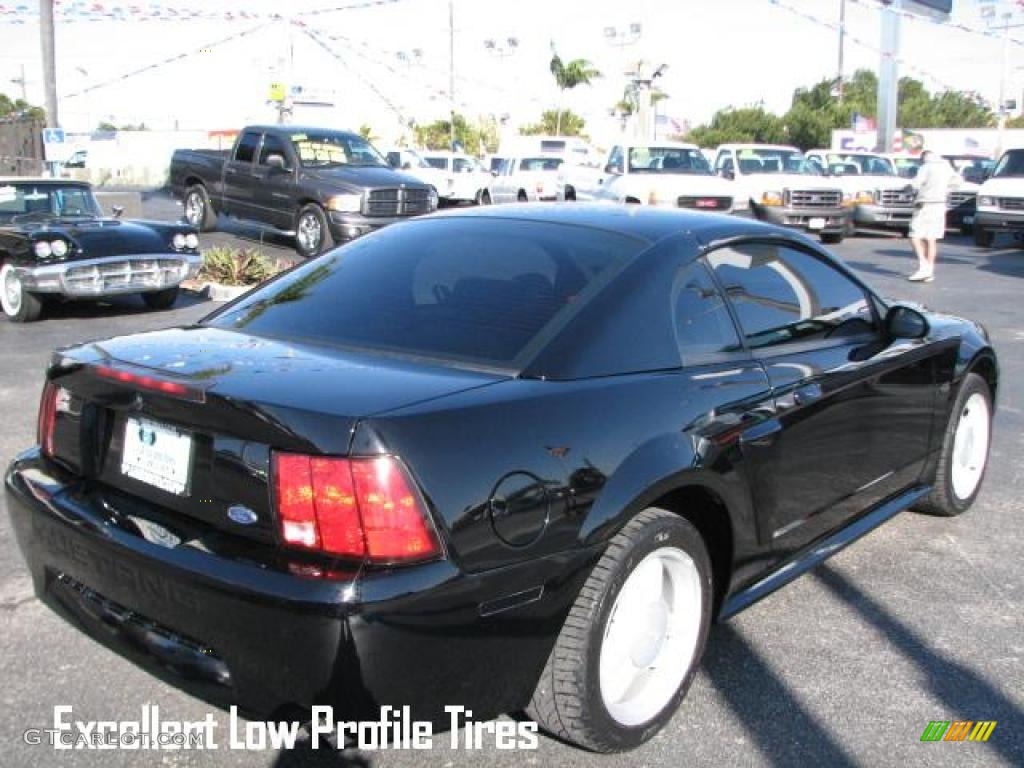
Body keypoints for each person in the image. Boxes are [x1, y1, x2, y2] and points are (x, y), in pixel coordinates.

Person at [906, 150, 957, 282]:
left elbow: (915, 184)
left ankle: (923, 266)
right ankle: (930, 270)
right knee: (931, 238)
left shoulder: (926, 167)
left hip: (925, 204)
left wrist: (909, 188)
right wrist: (945, 190)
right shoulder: (946, 167)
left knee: (914, 235)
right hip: (940, 204)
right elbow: (958, 182)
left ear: (924, 158)